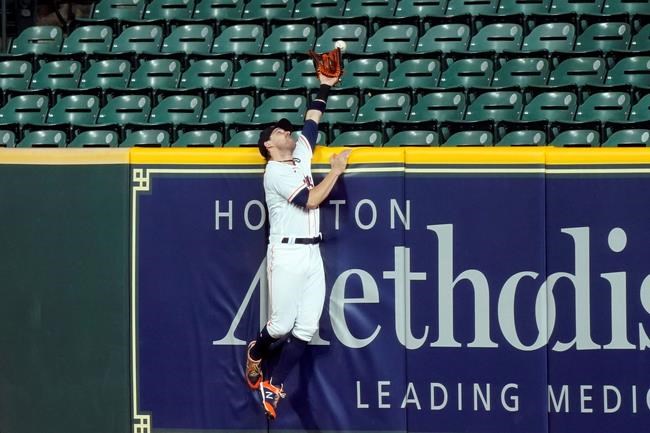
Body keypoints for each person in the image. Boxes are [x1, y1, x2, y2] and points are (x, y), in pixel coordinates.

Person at [245, 74, 351, 420]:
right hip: (287, 252)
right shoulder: (274, 172)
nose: (285, 132)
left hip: (311, 253)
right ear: (268, 146)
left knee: (306, 328)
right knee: (279, 326)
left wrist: (325, 85)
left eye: (285, 130)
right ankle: (256, 352)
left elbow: (312, 120)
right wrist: (335, 172)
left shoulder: (300, 154)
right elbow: (310, 200)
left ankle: (273, 384)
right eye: (278, 132)